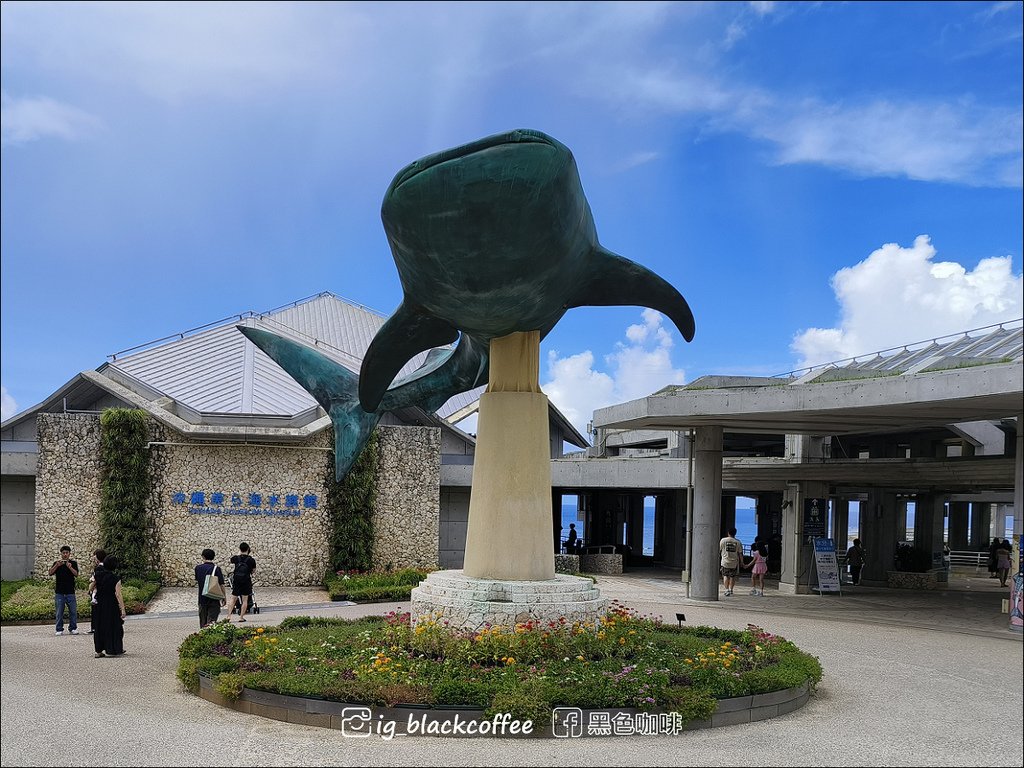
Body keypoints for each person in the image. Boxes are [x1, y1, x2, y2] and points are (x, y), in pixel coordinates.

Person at [92, 555, 126, 657]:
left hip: (99, 604)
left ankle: (99, 650)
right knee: (114, 626)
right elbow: (118, 594)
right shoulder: (115, 578)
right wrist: (123, 609)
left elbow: (91, 587)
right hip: (111, 604)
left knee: (99, 626)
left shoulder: (98, 575)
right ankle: (113, 649)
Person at [48, 545, 79, 636]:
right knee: (59, 612)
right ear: (61, 554)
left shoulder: (73, 563)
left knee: (73, 612)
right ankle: (59, 629)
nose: (65, 555)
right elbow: (50, 573)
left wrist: (70, 567)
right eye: (63, 553)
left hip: (70, 592)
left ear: (69, 554)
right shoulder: (57, 563)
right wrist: (56, 566)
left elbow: (76, 574)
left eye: (67, 553)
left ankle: (73, 628)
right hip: (59, 592)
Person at [195, 549, 226, 628]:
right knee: (211, 623)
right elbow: (221, 584)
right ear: (213, 557)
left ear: (203, 556)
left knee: (203, 623)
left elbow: (198, 580)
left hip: (202, 598)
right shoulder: (216, 569)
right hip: (214, 598)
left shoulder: (198, 568)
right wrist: (224, 597)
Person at [226, 542, 257, 622]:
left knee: (233, 598)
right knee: (245, 600)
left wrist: (239, 553)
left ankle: (229, 616)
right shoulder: (251, 560)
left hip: (236, 580)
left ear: (239, 549)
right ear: (248, 549)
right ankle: (241, 617)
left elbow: (231, 560)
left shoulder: (236, 558)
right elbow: (253, 571)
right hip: (246, 580)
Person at [719, 527, 743, 597]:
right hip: (734, 563)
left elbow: (719, 550)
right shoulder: (738, 542)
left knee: (725, 576)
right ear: (735, 533)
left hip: (725, 562)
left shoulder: (723, 540)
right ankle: (731, 589)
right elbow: (740, 554)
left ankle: (726, 590)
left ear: (728, 533)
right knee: (732, 577)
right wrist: (742, 562)